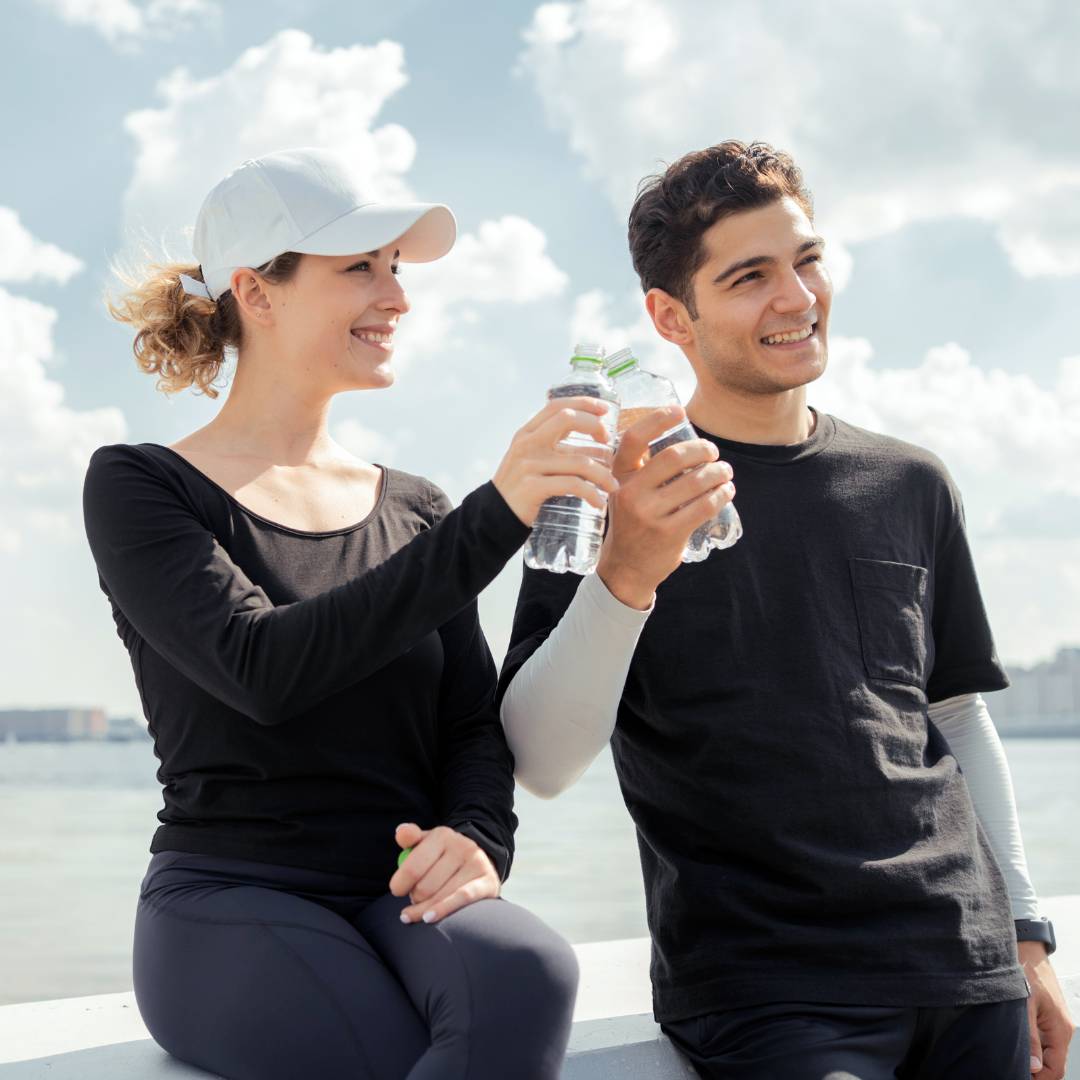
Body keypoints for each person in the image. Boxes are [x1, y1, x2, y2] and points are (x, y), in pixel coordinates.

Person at [497, 141, 1075, 1080]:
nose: (797, 298)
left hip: (966, 967)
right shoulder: (607, 493)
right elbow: (541, 761)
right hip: (769, 991)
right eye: (750, 277)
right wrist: (628, 574)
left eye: (807, 260)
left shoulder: (912, 480)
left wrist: (1027, 933)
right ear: (669, 316)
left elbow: (957, 717)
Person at [82, 147, 616, 1080]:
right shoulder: (141, 486)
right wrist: (496, 518)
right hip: (230, 896)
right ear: (257, 291)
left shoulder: (416, 506)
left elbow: (467, 724)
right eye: (360, 268)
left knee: (529, 972)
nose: (397, 298)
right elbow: (262, 670)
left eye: (398, 269)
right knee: (393, 1044)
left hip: (396, 890)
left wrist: (479, 839)